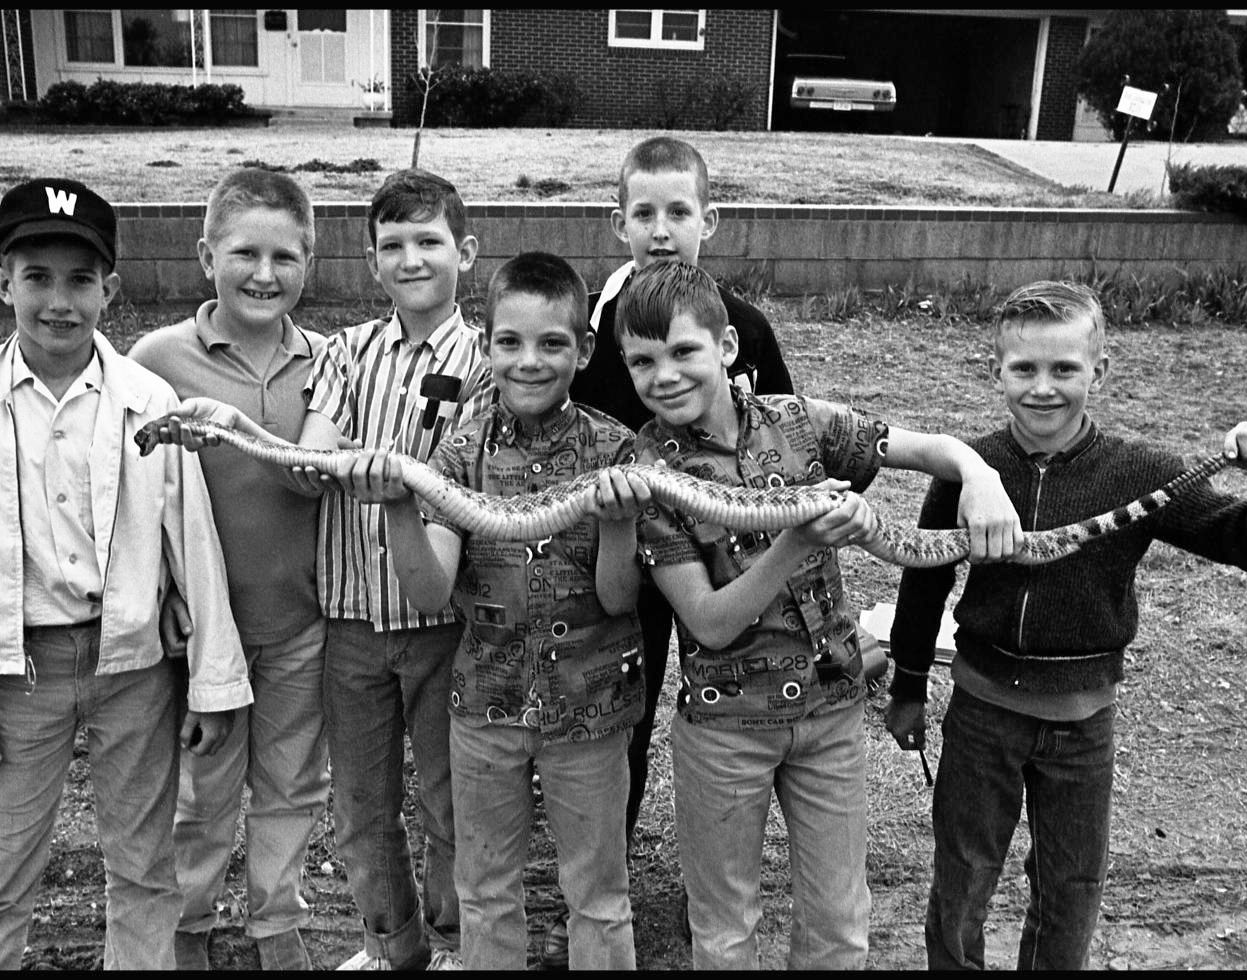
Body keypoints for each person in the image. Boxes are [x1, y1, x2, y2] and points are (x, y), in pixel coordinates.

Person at [883, 279, 1247, 971]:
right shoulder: (969, 469)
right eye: (1023, 368)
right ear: (996, 371)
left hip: (1082, 725)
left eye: (1065, 369)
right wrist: (907, 685)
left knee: (1070, 889)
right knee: (963, 874)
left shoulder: (1140, 473)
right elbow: (925, 580)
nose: (1042, 388)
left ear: (1099, 372)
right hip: (981, 714)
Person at [619, 260, 1025, 969]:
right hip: (724, 731)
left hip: (830, 714)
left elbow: (928, 448)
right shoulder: (646, 472)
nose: (664, 375)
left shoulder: (799, 423)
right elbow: (710, 623)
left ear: (725, 348)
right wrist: (795, 539)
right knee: (724, 931)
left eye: (683, 351)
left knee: (840, 924)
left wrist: (980, 476)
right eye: (641, 362)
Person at [148, 169, 493, 970]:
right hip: (345, 623)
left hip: (440, 625)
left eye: (429, 242)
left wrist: (394, 477)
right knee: (361, 807)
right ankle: (389, 946)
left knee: (451, 803)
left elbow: (460, 472)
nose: (411, 260)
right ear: (370, 261)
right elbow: (311, 458)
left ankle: (454, 946)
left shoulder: (484, 363)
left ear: (465, 253)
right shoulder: (345, 352)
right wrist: (240, 427)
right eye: (393, 246)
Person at [0, 177, 253, 970]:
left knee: (142, 867)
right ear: (2, 283)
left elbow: (190, 545)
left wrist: (211, 681)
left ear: (111, 290)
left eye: (80, 280)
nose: (58, 302)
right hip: (22, 671)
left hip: (131, 666)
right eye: (37, 278)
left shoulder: (146, 397)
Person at [359, 251, 648, 970]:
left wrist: (618, 523)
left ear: (583, 351)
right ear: (487, 346)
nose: (529, 362)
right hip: (485, 711)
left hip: (592, 712)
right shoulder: (458, 456)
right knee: (485, 890)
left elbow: (619, 600)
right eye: (510, 343)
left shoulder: (618, 451)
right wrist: (398, 510)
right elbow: (429, 591)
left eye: (552, 343)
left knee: (598, 894)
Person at [550, 134, 796, 964]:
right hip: (624, 557)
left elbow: (790, 443)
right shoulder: (593, 328)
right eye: (644, 213)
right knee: (625, 711)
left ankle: (721, 879)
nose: (662, 229)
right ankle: (604, 875)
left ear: (709, 221)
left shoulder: (744, 329)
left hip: (723, 562)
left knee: (731, 709)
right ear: (617, 223)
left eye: (679, 212)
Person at [128, 169, 328, 970]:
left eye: (287, 256)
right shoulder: (156, 361)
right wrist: (162, 594)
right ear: (206, 254)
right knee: (203, 794)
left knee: (290, 789)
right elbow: (130, 502)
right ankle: (190, 927)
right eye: (245, 252)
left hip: (300, 624)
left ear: (311, 261)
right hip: (204, 633)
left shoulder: (327, 363)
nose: (265, 273)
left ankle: (277, 928)